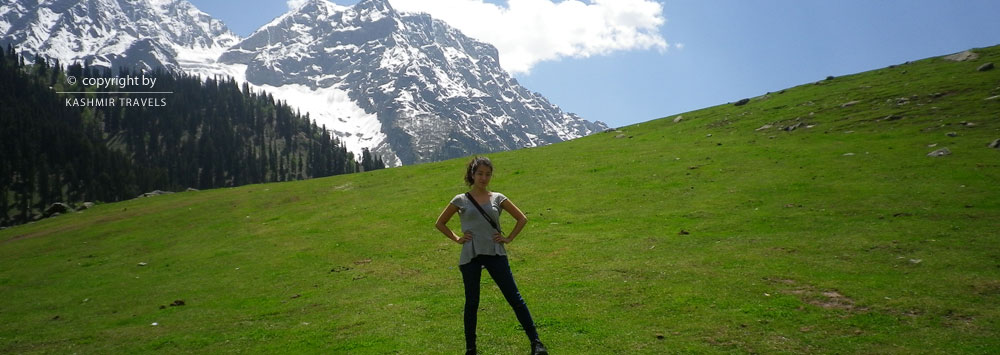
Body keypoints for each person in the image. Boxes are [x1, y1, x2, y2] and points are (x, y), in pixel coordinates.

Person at [435, 156, 549, 355]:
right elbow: (440, 223)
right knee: (472, 303)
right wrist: (457, 238)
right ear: (472, 174)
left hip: (495, 252)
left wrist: (509, 238)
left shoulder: (497, 197)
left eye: (487, 174)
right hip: (470, 255)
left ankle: (536, 343)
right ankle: (471, 349)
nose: (484, 178)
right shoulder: (460, 200)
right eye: (480, 173)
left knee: (514, 297)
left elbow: (522, 218)